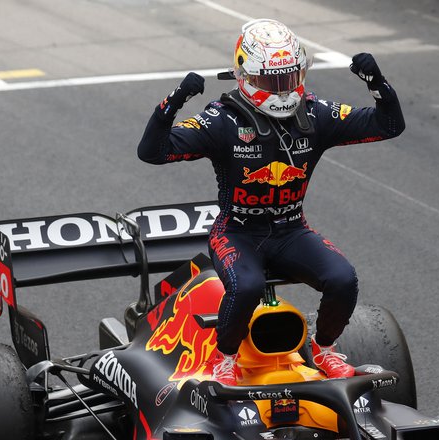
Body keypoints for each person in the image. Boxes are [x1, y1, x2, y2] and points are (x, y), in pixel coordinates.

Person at [137, 18, 405, 386]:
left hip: (291, 230)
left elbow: (389, 125)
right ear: (245, 76)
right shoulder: (222, 120)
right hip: (236, 232)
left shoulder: (315, 114)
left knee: (343, 278)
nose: (281, 90)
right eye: (270, 81)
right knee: (245, 287)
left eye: (288, 78)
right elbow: (152, 151)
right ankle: (225, 359)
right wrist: (174, 102)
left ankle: (325, 350)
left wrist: (379, 85)